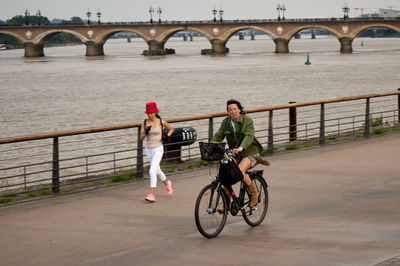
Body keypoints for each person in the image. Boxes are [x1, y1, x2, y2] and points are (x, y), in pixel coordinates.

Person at [212, 99, 266, 208]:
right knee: (224, 174)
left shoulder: (247, 121)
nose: (232, 111)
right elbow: (218, 137)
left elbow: (249, 136)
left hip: (251, 152)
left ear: (239, 110)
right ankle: (227, 202)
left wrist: (242, 147)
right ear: (227, 112)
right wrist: (212, 146)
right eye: (230, 110)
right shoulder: (226, 122)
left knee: (239, 171)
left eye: (234, 109)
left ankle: (254, 193)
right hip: (236, 153)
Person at [140, 102, 174, 202]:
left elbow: (171, 129)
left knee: (152, 170)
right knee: (157, 169)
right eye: (148, 113)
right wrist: (145, 133)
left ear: (155, 112)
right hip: (149, 149)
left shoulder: (161, 122)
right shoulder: (144, 123)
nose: (149, 115)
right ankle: (167, 182)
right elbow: (141, 138)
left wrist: (167, 136)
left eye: (151, 113)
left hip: (158, 148)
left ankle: (151, 194)